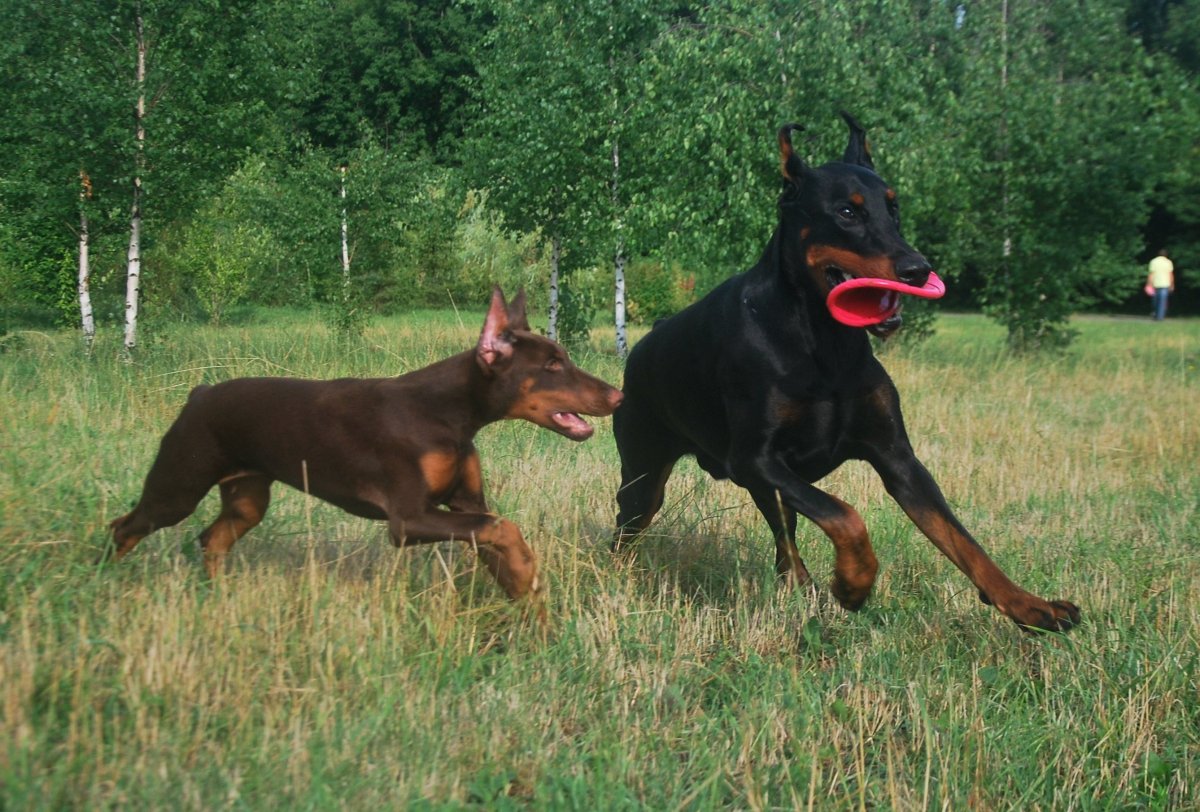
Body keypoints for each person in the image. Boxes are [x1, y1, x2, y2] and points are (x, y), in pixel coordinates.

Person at [1146, 249, 1175, 321]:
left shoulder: (1153, 261)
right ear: (1166, 255)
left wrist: (1148, 283)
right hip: (1165, 284)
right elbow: (1170, 274)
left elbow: (1151, 274)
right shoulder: (1168, 262)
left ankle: (1155, 314)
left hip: (1155, 284)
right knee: (1162, 301)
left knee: (1155, 301)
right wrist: (1172, 284)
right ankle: (1160, 317)